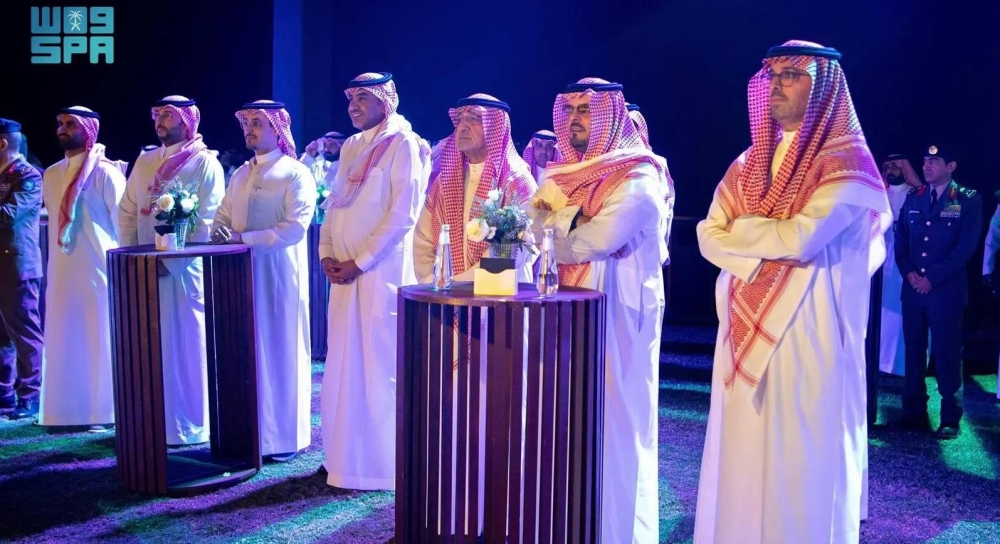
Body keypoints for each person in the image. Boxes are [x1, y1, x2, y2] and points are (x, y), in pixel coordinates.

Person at [693, 41, 891, 544]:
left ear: (823, 87)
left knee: (798, 460)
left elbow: (803, 238)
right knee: (742, 451)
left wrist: (742, 234)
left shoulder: (847, 163)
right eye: (773, 74)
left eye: (792, 74)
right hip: (740, 329)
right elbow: (706, 233)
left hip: (808, 332)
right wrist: (760, 246)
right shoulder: (748, 163)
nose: (777, 84)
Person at [527, 77, 669, 542]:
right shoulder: (559, 174)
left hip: (619, 315)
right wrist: (576, 220)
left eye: (586, 110)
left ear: (609, 115)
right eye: (569, 110)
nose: (574, 119)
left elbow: (599, 239)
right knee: (564, 418)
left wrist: (559, 226)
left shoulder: (639, 176)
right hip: (563, 310)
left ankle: (616, 532)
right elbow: (533, 227)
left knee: (615, 421)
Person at [318, 72, 429, 490]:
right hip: (343, 276)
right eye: (351, 98)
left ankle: (384, 466)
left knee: (381, 366)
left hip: (382, 274)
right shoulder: (350, 146)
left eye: (364, 97)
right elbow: (335, 205)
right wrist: (326, 252)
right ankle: (343, 458)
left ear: (386, 101)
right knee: (342, 363)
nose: (353, 105)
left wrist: (360, 262)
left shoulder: (404, 144)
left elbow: (403, 214)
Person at [210, 100, 315, 461]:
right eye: (246, 123)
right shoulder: (240, 174)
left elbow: (295, 228)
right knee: (248, 353)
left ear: (277, 128)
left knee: (281, 351)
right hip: (240, 277)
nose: (249, 129)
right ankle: (252, 436)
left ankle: (285, 439)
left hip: (279, 277)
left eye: (257, 122)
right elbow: (222, 216)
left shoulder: (295, 172)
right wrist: (222, 235)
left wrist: (243, 240)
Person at [119, 95, 225, 445]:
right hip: (144, 267)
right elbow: (127, 211)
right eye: (158, 114)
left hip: (183, 271)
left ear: (187, 121)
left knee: (184, 344)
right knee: (149, 344)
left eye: (168, 115)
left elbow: (207, 219)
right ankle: (151, 424)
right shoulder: (145, 160)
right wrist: (134, 256)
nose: (160, 121)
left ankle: (189, 427)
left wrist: (170, 261)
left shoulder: (204, 163)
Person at [38, 106, 126, 431]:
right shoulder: (51, 174)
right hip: (62, 271)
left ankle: (103, 413)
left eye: (70, 124)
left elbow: (123, 225)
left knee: (98, 337)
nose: (62, 128)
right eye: (60, 123)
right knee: (64, 337)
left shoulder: (105, 173)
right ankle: (63, 413)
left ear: (88, 129)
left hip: (99, 270)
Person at [895, 143, 981, 439]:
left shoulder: (968, 199)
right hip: (913, 291)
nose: (927, 166)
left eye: (934, 161)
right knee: (913, 351)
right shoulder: (914, 196)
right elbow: (901, 240)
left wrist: (931, 277)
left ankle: (949, 418)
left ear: (951, 166)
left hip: (945, 291)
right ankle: (913, 412)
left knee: (946, 353)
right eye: (925, 161)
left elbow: (965, 248)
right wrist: (909, 273)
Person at [415, 93, 537, 283]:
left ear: (495, 127)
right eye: (460, 120)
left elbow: (511, 250)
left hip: (501, 293)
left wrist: (457, 285)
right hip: (445, 294)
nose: (462, 127)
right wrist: (430, 283)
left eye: (474, 119)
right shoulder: (444, 181)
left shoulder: (517, 181)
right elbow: (423, 239)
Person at [0, 118, 45, 420]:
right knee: (1, 334)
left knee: (25, 332)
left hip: (18, 265)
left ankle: (30, 395)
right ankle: (4, 391)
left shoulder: (27, 175)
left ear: (2, 143)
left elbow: (8, 215)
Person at [879, 154, 922, 376]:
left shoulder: (915, 194)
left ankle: (903, 365)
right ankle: (880, 362)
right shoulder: (879, 193)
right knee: (883, 310)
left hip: (907, 258)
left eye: (895, 166)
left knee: (902, 311)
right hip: (882, 258)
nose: (890, 170)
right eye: (887, 166)